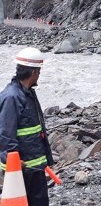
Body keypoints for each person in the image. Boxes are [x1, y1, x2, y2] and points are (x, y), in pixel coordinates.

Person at [0, 47, 54, 206]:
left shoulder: (27, 92)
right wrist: (13, 158)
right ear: (33, 73)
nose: (39, 75)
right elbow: (5, 132)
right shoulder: (12, 97)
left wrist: (47, 160)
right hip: (22, 167)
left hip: (33, 165)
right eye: (38, 71)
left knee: (39, 201)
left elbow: (38, 129)